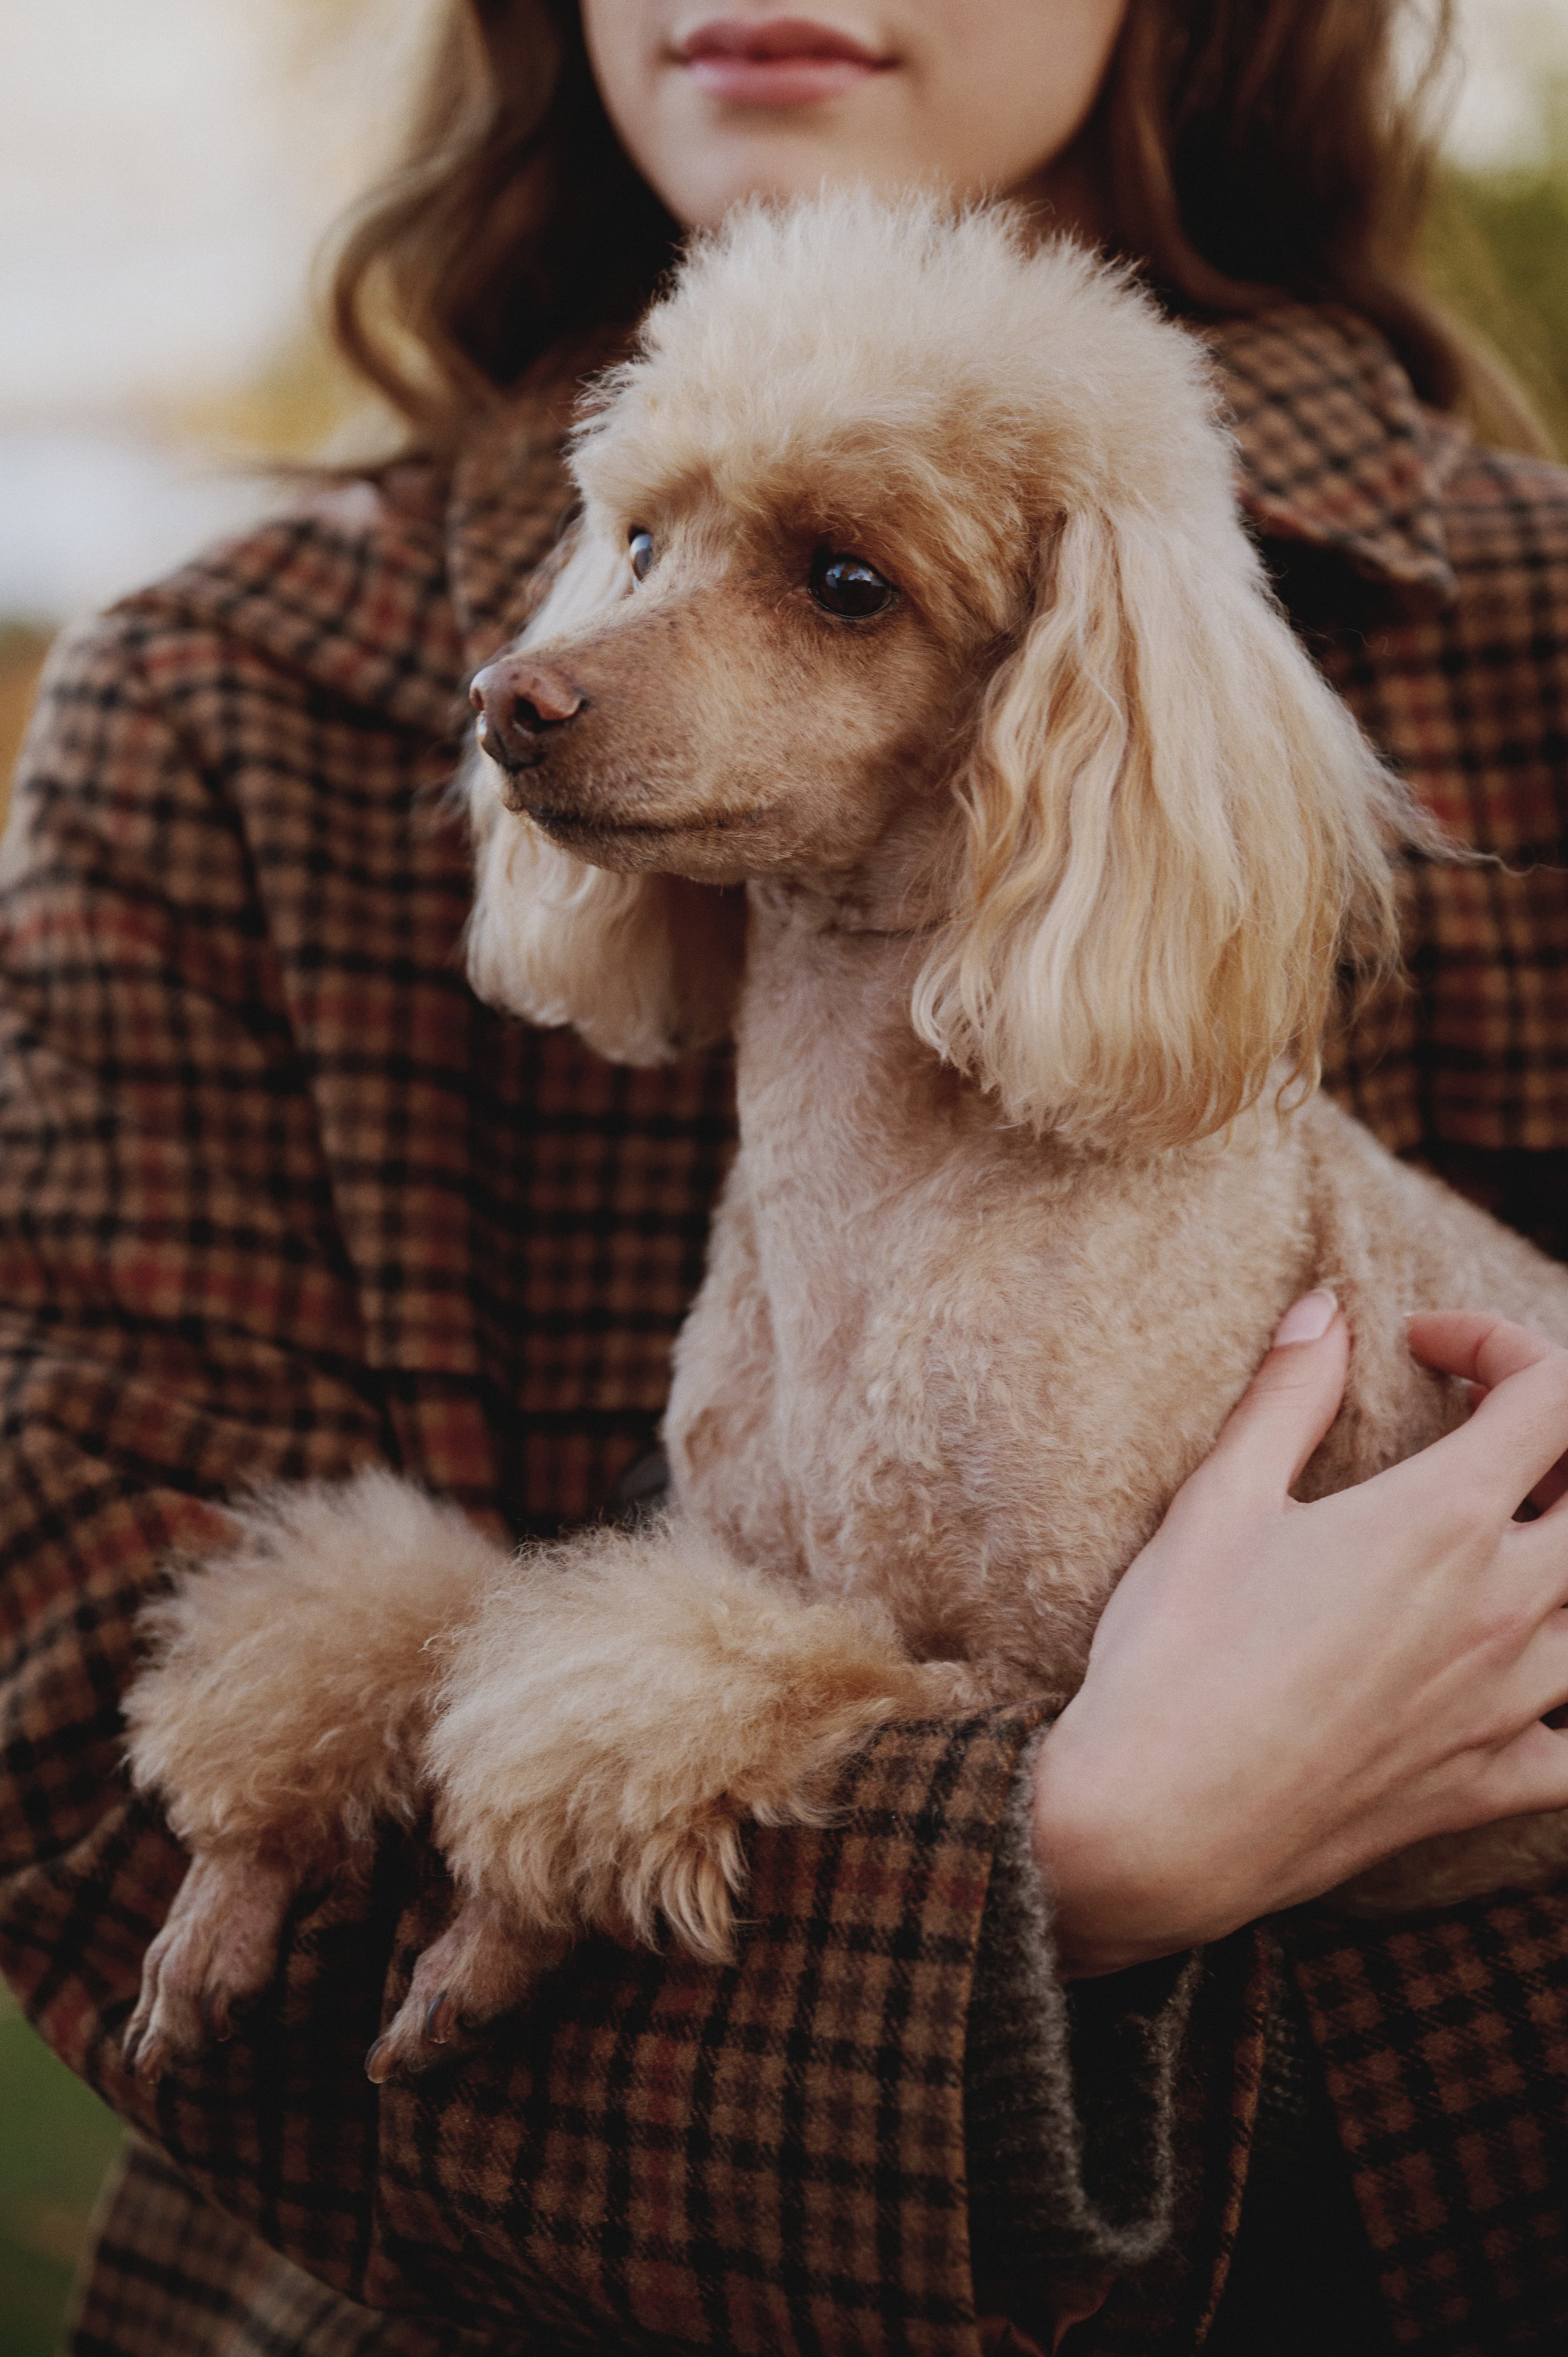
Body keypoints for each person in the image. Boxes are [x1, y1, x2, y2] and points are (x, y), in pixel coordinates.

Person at [2, 3, 1566, 2351]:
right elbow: (79, 1785)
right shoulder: (210, 709)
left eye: (843, 584)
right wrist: (1073, 1872)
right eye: (637, 550)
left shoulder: (1539, 639)